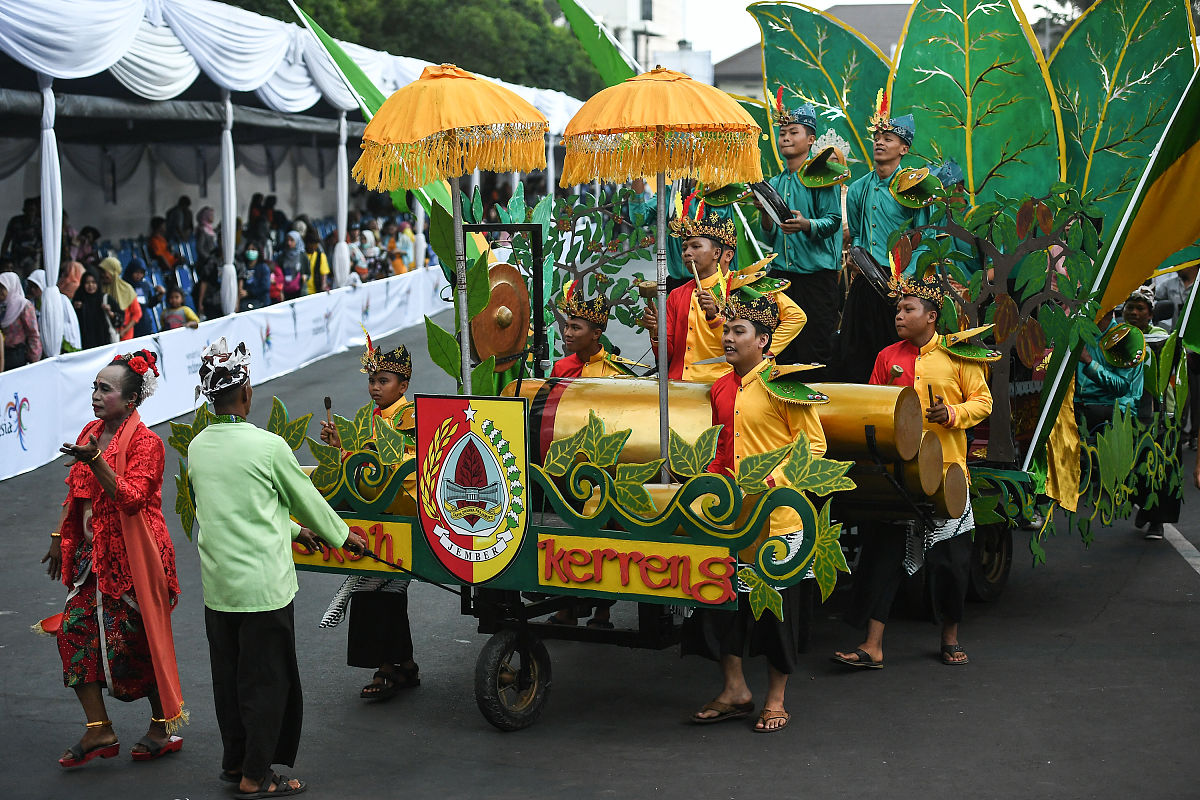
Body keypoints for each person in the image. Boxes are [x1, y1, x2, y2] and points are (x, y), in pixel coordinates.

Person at [188, 339, 366, 797]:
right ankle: (256, 775)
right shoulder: (268, 446)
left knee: (229, 680)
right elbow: (308, 502)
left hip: (219, 587)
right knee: (267, 683)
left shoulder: (200, 447)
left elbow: (237, 507)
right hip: (263, 589)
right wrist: (344, 538)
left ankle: (235, 764)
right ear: (245, 392)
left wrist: (290, 530)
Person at [683, 289, 828, 733]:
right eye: (725, 329)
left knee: (774, 610)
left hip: (783, 518)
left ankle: (776, 699)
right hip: (735, 518)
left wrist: (771, 481)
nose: (727, 337)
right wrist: (707, 481)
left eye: (738, 331)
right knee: (719, 600)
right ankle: (735, 690)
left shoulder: (785, 385)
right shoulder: (721, 388)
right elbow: (720, 450)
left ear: (763, 341)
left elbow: (815, 448)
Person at [834, 277, 994, 669]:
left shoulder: (959, 357)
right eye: (898, 309)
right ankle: (872, 646)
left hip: (947, 473)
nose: (899, 316)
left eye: (908, 310)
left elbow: (983, 402)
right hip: (898, 476)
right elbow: (871, 404)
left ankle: (950, 638)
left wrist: (952, 414)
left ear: (932, 316)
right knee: (883, 555)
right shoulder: (886, 356)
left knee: (951, 564)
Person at [42, 350, 186, 766]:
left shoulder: (148, 444)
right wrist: (59, 535)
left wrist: (98, 460)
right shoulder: (92, 430)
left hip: (135, 559)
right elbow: (77, 490)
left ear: (131, 399)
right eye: (95, 387)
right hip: (92, 559)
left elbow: (130, 499)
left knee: (139, 641)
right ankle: (99, 730)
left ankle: (162, 723)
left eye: (105, 389)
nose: (96, 395)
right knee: (73, 633)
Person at [318, 335, 421, 701]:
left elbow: (404, 471)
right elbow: (365, 463)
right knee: (386, 591)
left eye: (384, 381)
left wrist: (355, 461)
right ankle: (402, 665)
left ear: (403, 385)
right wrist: (340, 448)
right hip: (376, 514)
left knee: (378, 591)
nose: (375, 388)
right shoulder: (372, 420)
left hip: (403, 514)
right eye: (372, 381)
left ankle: (387, 669)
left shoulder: (410, 419)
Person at [641, 210, 805, 383]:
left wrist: (763, 351)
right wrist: (656, 331)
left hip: (727, 383)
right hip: (680, 383)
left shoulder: (746, 286)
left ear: (720, 254)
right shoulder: (677, 295)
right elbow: (668, 355)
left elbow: (796, 317)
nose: (687, 253)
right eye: (684, 248)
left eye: (696, 246)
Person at [838, 93, 932, 382]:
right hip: (865, 281)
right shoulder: (857, 189)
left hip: (900, 285)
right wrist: (856, 256)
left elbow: (923, 238)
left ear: (904, 148)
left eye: (888, 138)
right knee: (855, 353)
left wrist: (907, 281)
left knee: (895, 351)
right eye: (877, 136)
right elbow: (855, 234)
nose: (879, 142)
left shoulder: (916, 186)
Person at [758, 98, 843, 375]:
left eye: (793, 132)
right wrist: (765, 212)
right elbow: (768, 235)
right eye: (782, 134)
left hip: (816, 280)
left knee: (814, 348)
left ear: (810, 140)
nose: (785, 138)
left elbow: (833, 220)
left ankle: (817, 407)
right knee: (781, 349)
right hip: (781, 278)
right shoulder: (775, 183)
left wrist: (807, 225)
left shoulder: (821, 176)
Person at [551, 284, 641, 378]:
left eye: (575, 328)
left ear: (596, 334)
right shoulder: (560, 367)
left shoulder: (615, 373)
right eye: (566, 326)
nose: (567, 333)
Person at [26, 268, 82, 352]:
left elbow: (71, 324)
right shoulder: (31, 304)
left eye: (36, 287)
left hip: (63, 344)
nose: (32, 290)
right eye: (31, 287)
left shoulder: (61, 299)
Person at [1, 271, 43, 367]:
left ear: (10, 287)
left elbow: (33, 334)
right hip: (2, 353)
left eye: (3, 287)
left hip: (17, 354)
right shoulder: (2, 306)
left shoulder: (23, 306)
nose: (0, 291)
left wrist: (34, 359)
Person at [97, 257, 142, 341]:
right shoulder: (99, 289)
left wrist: (124, 331)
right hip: (106, 338)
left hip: (124, 338)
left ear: (113, 272)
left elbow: (137, 314)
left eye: (105, 272)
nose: (102, 275)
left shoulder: (127, 289)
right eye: (101, 272)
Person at [74, 271, 121, 349]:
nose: (90, 285)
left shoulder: (105, 299)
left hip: (105, 344)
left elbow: (120, 320)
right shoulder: (78, 300)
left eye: (93, 282)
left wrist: (109, 312)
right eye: (87, 283)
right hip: (84, 346)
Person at [124, 258, 166, 338]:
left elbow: (149, 303)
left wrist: (159, 296)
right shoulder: (124, 286)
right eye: (136, 272)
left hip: (145, 323)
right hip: (131, 324)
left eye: (141, 273)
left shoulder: (145, 285)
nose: (139, 275)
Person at [193, 207, 221, 318]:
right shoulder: (202, 230)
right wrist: (210, 258)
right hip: (205, 263)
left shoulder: (210, 229)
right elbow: (200, 248)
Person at [2, 196, 41, 272]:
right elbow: (7, 239)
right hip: (17, 259)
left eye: (32, 210)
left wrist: (37, 250)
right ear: (24, 210)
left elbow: (46, 243)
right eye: (28, 210)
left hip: (33, 259)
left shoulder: (39, 223)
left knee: (32, 279)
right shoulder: (16, 222)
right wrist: (3, 256)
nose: (30, 213)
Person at [239, 242, 271, 311]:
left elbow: (265, 287)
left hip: (261, 303)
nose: (250, 251)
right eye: (248, 249)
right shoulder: (243, 267)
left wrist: (249, 293)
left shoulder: (263, 267)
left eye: (253, 249)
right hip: (246, 304)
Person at [278, 231, 307, 300]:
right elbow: (279, 274)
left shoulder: (302, 256)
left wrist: (304, 277)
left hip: (299, 292)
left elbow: (307, 272)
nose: (289, 243)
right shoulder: (282, 256)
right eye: (287, 240)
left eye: (292, 240)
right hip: (285, 292)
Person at [304, 229, 330, 294]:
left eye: (316, 244)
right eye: (311, 243)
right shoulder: (302, 255)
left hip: (315, 293)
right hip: (303, 293)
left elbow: (324, 273)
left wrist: (323, 285)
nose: (314, 246)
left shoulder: (321, 256)